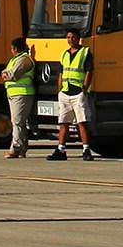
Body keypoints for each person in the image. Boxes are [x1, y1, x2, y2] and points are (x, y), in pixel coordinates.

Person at [49, 29, 94, 161]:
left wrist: (84, 88)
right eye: (68, 37)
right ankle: (61, 150)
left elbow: (89, 71)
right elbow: (61, 72)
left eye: (73, 37)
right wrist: (60, 89)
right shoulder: (65, 54)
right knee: (63, 122)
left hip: (78, 92)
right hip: (65, 92)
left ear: (78, 38)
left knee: (82, 122)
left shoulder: (85, 52)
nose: (70, 40)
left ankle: (86, 149)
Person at [1, 37, 35, 158]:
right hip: (14, 94)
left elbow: (13, 74)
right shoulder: (15, 59)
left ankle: (15, 148)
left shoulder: (23, 60)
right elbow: (6, 72)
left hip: (22, 93)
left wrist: (5, 74)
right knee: (19, 122)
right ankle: (22, 147)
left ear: (15, 48)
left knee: (17, 122)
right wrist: (5, 73)